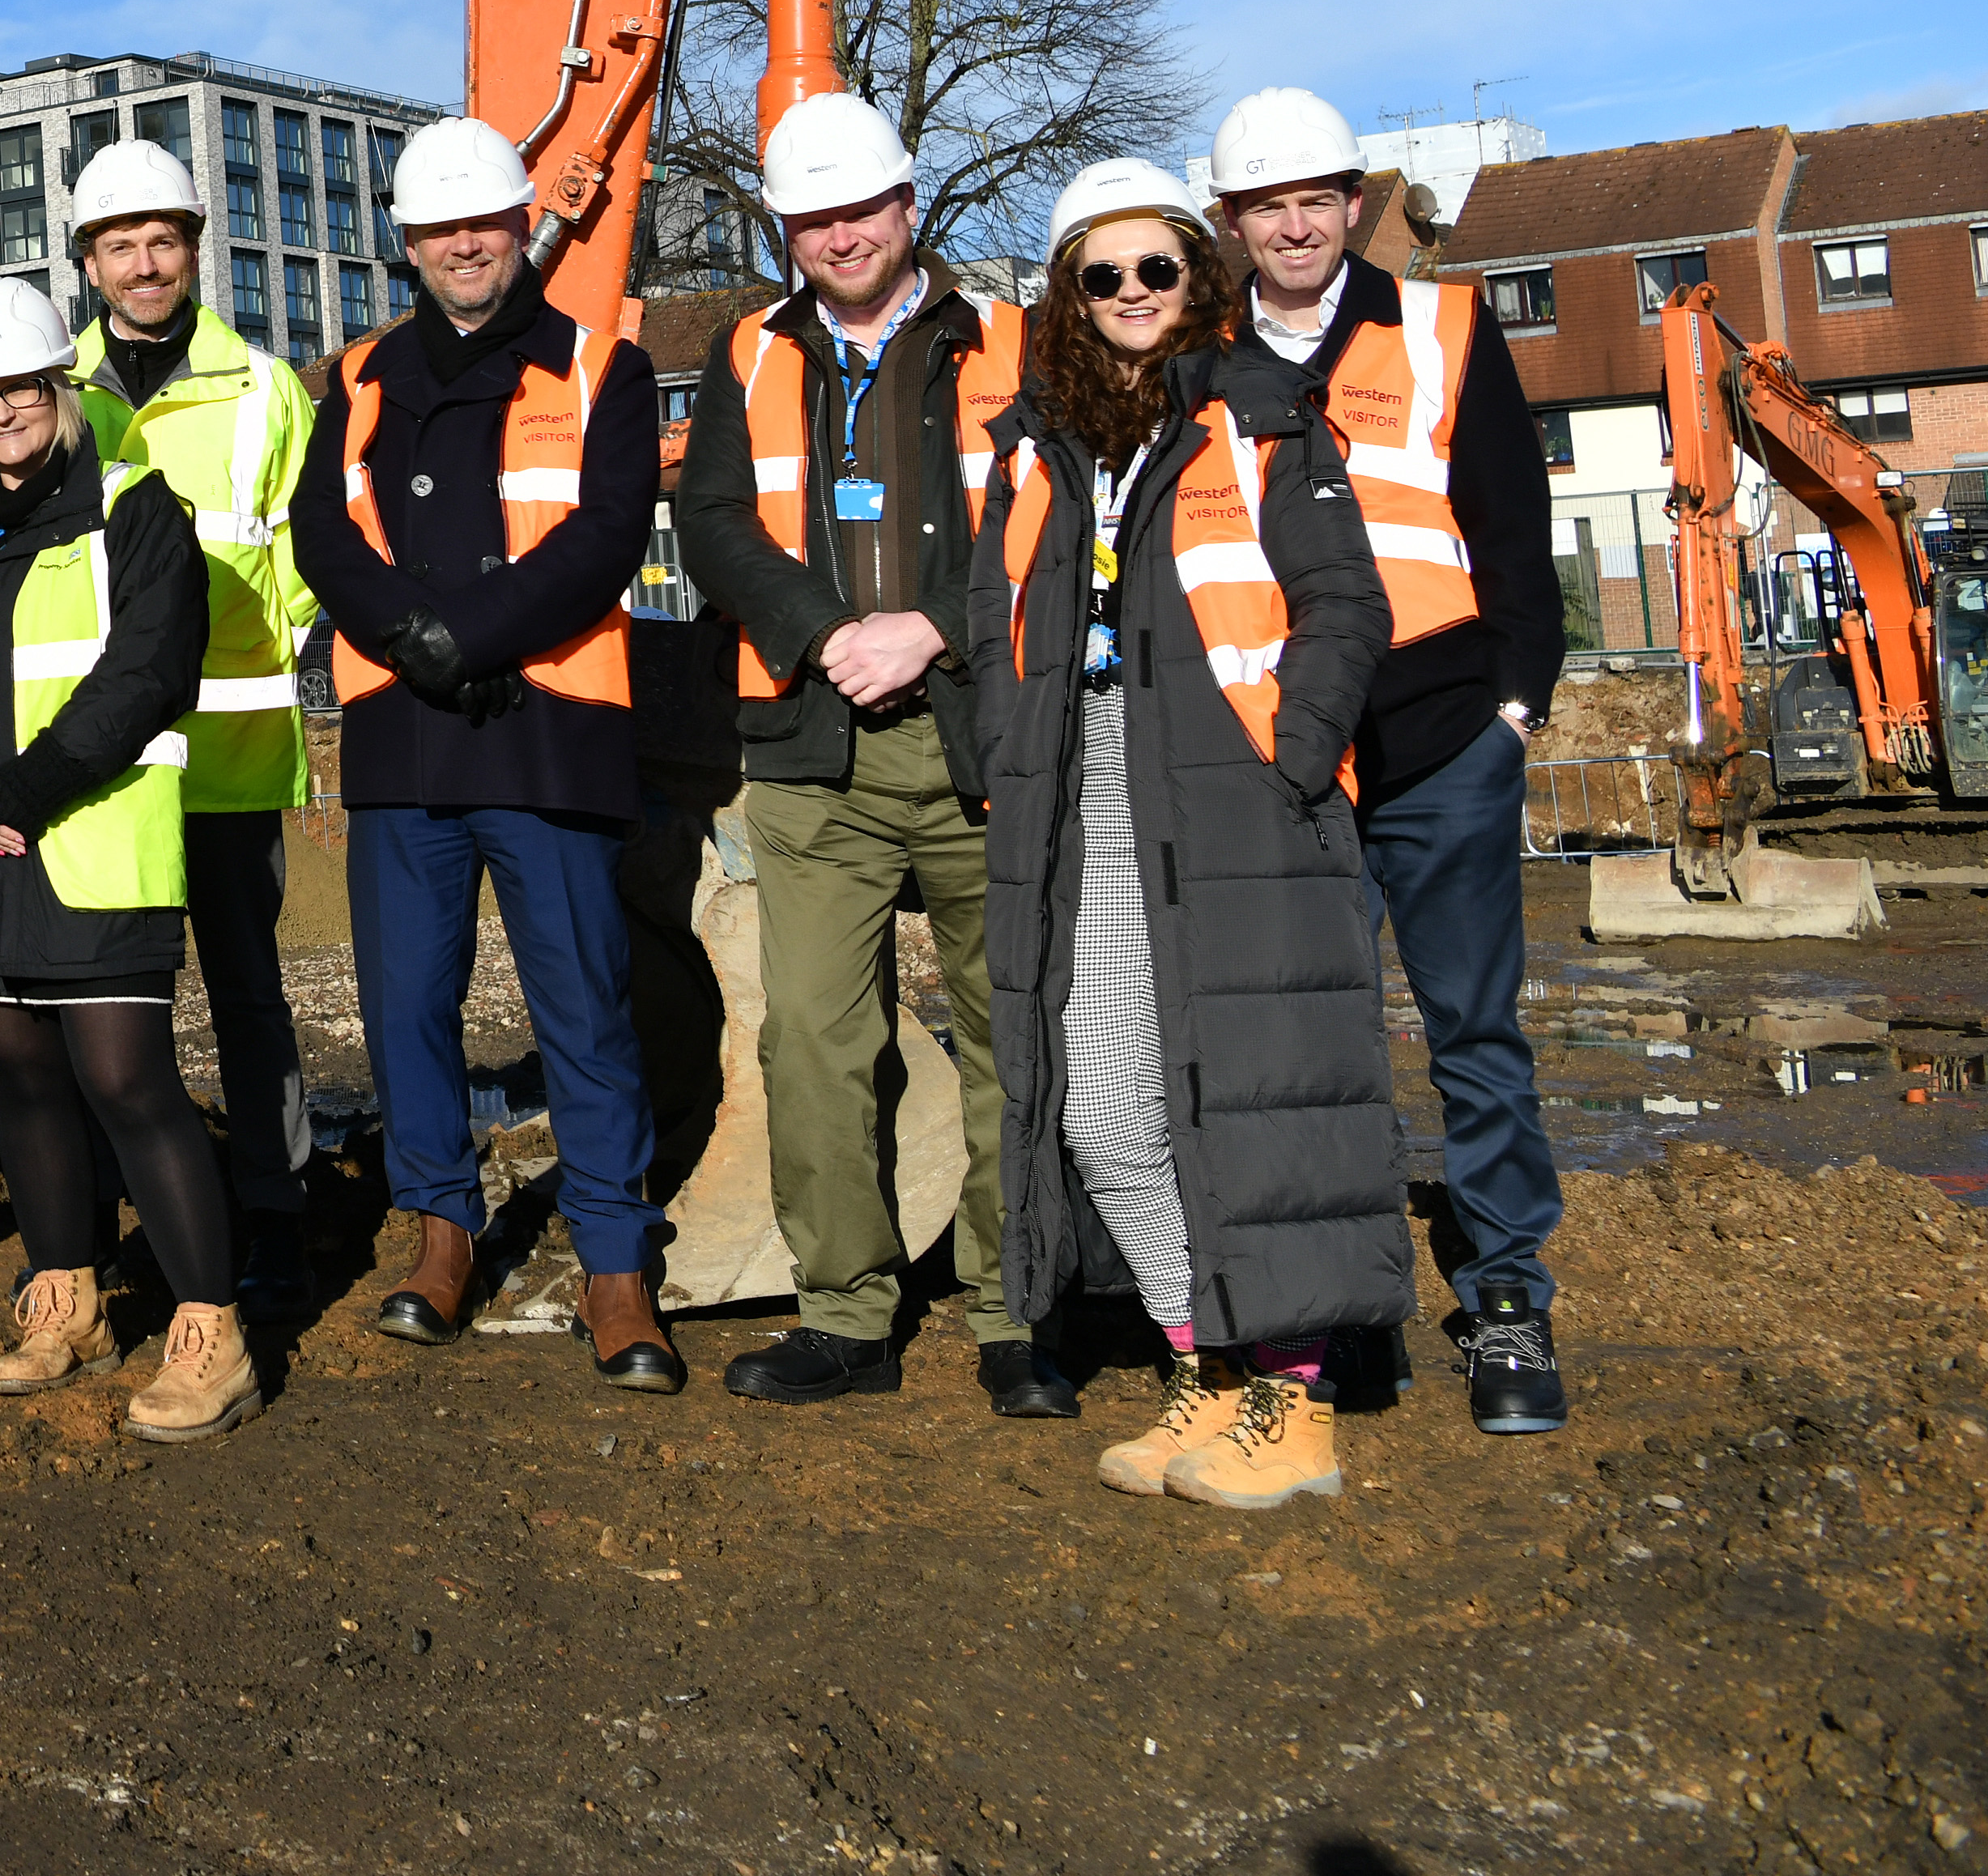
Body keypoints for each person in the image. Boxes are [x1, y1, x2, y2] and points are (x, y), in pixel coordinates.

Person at [971, 157, 1406, 1507]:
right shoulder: (1035, 442)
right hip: (1082, 783)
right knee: (1101, 1108)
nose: (1131, 294)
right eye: (1100, 274)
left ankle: (1297, 1402)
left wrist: (1289, 757)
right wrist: (1004, 754)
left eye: (1155, 266)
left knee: (1251, 1101)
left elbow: (1347, 606)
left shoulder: (1262, 414)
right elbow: (996, 625)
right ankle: (1204, 1367)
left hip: (1231, 790)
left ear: (1193, 276)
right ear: (1067, 296)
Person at [666, 96, 1069, 1419]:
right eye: (814, 215)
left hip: (979, 738)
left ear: (907, 208)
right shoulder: (748, 352)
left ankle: (1015, 1306)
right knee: (813, 1042)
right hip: (807, 745)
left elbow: (1053, 532)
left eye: (861, 206)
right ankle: (845, 1306)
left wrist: (929, 630)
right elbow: (711, 519)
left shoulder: (1009, 343)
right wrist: (819, 631)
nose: (840, 232)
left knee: (1015, 1029)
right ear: (790, 231)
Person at [292, 118, 677, 1390]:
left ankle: (617, 1260)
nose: (465, 245)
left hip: (550, 732)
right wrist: (410, 636)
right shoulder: (351, 379)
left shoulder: (601, 367)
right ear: (406, 244)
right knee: (405, 1007)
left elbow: (609, 530)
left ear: (524, 226)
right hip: (404, 741)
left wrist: (470, 632)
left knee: (583, 1004)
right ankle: (441, 1229)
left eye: (486, 223)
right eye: (440, 229)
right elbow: (322, 535)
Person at [1207, 87, 1569, 1436]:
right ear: (1230, 221)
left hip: (1441, 740)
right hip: (1290, 758)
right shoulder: (1198, 359)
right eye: (1266, 205)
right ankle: (1344, 1307)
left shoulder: (1440, 328)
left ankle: (1506, 1298)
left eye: (1315, 199)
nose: (1294, 225)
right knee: (1315, 1044)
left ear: (1351, 205)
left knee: (1473, 1031)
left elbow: (1509, 529)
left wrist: (1514, 709)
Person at [0, 278, 254, 1443]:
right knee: (21, 1081)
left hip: (88, 846)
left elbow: (145, 675)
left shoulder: (135, 511)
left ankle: (211, 1329)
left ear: (60, 391)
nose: (0, 412)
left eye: (20, 388)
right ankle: (68, 1294)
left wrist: (22, 797)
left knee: (130, 1084)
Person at [62, 136, 325, 1310]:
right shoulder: (52, 393)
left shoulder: (266, 388)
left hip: (228, 749)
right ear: (89, 263)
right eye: (121, 245)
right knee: (120, 1006)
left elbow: (306, 555)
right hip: (106, 770)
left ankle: (276, 1210)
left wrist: (263, 644)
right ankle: (147, 1218)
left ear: (196, 250)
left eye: (163, 240)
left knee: (248, 993)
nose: (145, 264)